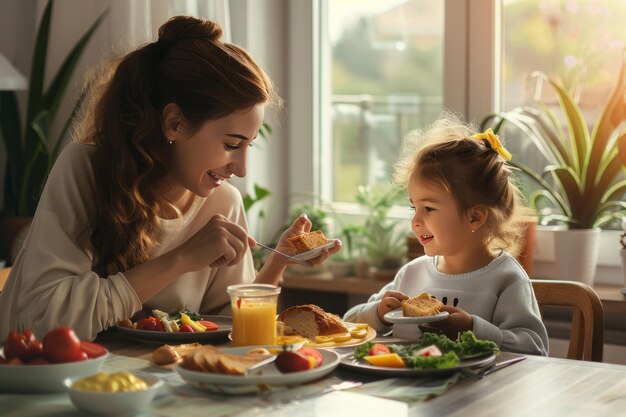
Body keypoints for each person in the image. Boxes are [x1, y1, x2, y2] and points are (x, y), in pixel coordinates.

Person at [0, 16, 340, 342]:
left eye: (250, 145)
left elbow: (231, 327)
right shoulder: (85, 170)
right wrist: (180, 259)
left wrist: (279, 259)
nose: (241, 169)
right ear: (174, 123)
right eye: (231, 144)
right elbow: (44, 319)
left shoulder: (223, 202)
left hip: (149, 386)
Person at [344, 114, 548, 356]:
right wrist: (379, 313)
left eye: (428, 208)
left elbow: (535, 349)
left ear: (474, 217)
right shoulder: (412, 274)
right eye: (414, 207)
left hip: (481, 392)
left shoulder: (506, 279)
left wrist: (473, 328)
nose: (416, 221)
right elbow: (348, 326)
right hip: (410, 391)